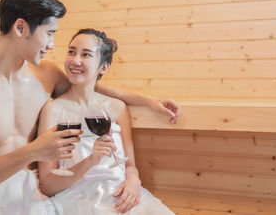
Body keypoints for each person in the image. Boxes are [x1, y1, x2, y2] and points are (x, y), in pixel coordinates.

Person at [0, 0, 180, 215]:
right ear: (21, 28)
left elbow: (89, 87)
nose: (52, 45)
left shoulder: (46, 75)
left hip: (31, 192)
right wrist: (30, 152)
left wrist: (146, 101)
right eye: (49, 34)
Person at [38, 28, 175, 214]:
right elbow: (47, 184)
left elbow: (129, 165)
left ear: (103, 67)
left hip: (120, 194)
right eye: (71, 51)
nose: (75, 60)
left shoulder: (117, 108)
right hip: (75, 199)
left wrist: (134, 181)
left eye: (86, 54)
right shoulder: (53, 110)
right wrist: (91, 160)